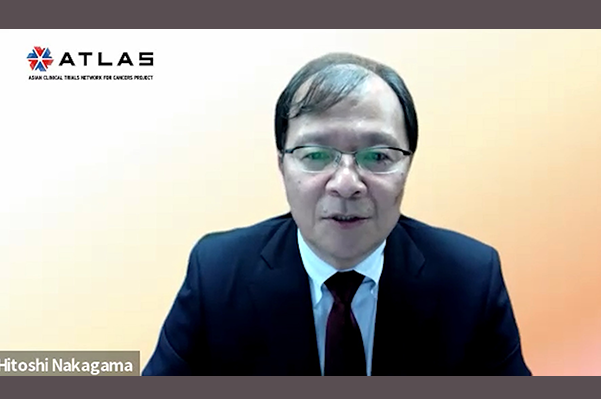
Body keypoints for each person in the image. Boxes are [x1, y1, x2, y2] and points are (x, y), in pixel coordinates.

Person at [143, 52, 531, 376]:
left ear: (408, 166)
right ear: (281, 165)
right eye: (315, 155)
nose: (346, 184)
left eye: (377, 156)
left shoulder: (471, 280)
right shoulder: (217, 273)